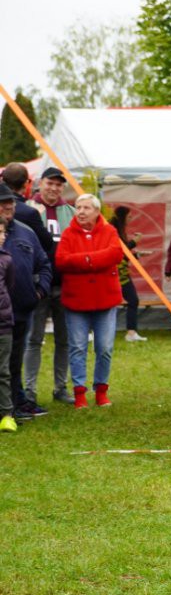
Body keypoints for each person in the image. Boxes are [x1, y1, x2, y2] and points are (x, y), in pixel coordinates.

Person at [55, 193, 123, 409]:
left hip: (105, 300)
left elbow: (115, 254)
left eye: (86, 208)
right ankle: (80, 393)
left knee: (104, 347)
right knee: (77, 347)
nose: (81, 211)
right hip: (76, 301)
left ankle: (101, 390)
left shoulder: (110, 231)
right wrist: (94, 259)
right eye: (78, 207)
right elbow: (61, 261)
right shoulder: (68, 234)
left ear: (96, 211)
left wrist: (83, 260)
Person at [10, 166, 70, 408]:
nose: (54, 188)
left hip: (64, 285)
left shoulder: (70, 212)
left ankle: (60, 387)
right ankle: (31, 389)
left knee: (64, 340)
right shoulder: (29, 211)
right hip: (38, 285)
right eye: (50, 183)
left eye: (58, 184)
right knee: (33, 340)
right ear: (39, 184)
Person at [0, 184, 52, 421]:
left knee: (13, 362)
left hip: (20, 311)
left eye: (10, 201)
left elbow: (44, 264)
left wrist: (39, 291)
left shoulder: (26, 232)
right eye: (3, 203)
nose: (8, 206)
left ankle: (12, 406)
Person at [109, 207, 147, 342]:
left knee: (132, 300)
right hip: (116, 273)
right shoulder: (112, 230)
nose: (131, 218)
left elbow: (123, 253)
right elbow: (121, 249)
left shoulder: (119, 229)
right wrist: (135, 241)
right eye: (129, 216)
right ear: (122, 216)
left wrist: (136, 254)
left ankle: (131, 332)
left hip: (122, 273)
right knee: (112, 302)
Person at [0, 220, 16, 432]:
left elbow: (9, 286)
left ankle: (6, 414)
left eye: (2, 232)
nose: (2, 235)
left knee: (3, 371)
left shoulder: (6, 259)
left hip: (3, 324)